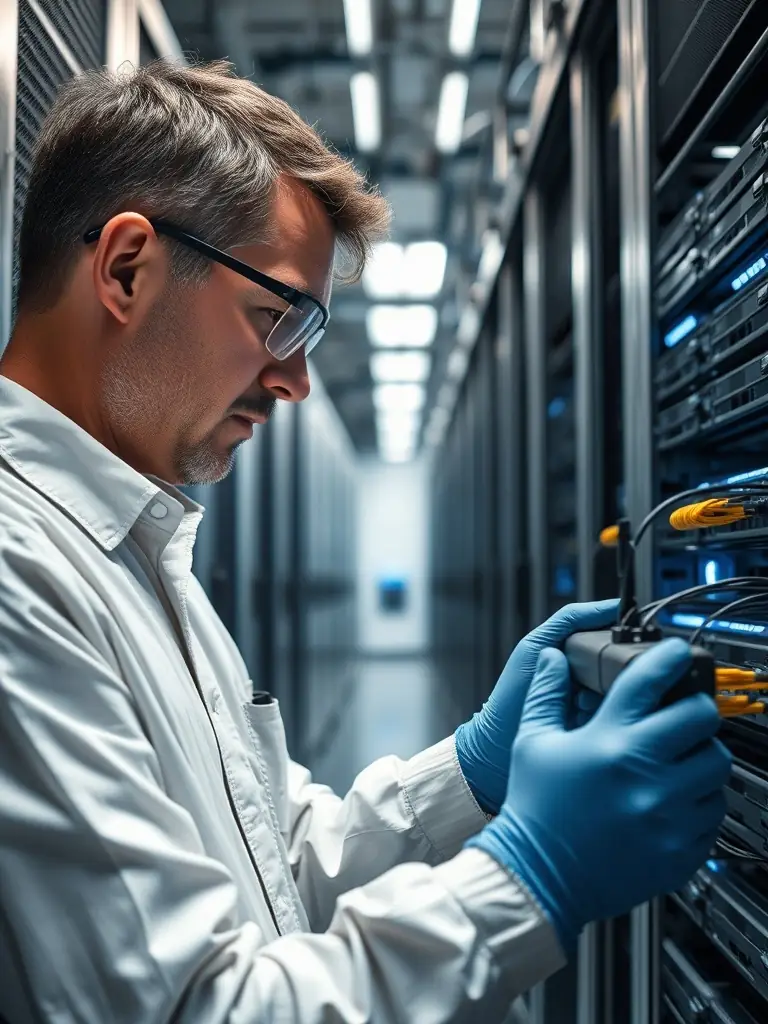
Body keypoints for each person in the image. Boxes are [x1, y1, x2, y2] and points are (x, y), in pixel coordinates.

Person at [0, 59, 730, 1024]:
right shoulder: (21, 573)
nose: (295, 384)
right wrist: (529, 882)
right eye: (279, 319)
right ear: (127, 267)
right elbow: (196, 1009)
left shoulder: (135, 547)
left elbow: (274, 866)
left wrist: (469, 771)